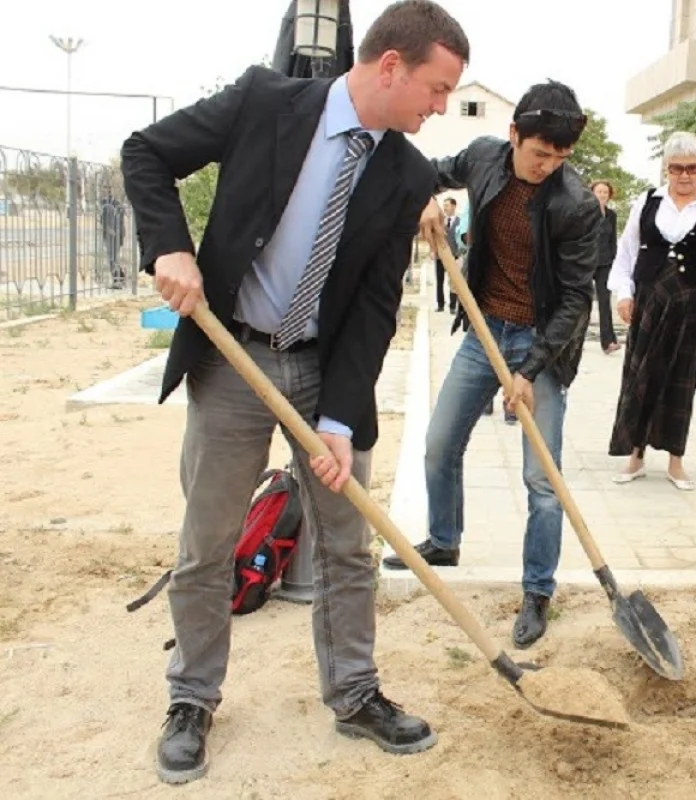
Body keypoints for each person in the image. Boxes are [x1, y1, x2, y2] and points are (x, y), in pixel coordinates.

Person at [119, 0, 469, 784]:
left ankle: (354, 693)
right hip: (233, 356)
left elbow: (378, 308)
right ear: (390, 66)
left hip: (323, 372)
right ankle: (192, 699)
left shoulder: (407, 174)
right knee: (207, 544)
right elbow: (146, 152)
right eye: (438, 88)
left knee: (348, 543)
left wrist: (342, 418)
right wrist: (169, 247)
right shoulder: (263, 102)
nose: (441, 107)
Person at [381, 81, 602, 650]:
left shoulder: (575, 204)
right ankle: (443, 539)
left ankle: (537, 590)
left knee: (542, 480)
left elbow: (577, 299)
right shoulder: (482, 157)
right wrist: (424, 196)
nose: (548, 166)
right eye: (538, 153)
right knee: (439, 445)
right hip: (484, 332)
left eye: (559, 157)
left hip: (541, 346)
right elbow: (424, 167)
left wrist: (529, 370)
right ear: (513, 137)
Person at [607, 131, 696, 490]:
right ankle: (634, 455)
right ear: (666, 168)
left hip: (693, 301)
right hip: (651, 297)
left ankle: (675, 460)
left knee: (682, 379)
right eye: (678, 168)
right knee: (641, 374)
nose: (685, 175)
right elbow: (627, 251)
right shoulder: (646, 202)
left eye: (693, 168)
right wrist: (624, 292)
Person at [591, 179, 621, 354]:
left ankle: (608, 341)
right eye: (599, 191)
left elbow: (613, 241)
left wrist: (615, 262)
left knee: (605, 302)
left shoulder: (612, 215)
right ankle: (572, 340)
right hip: (586, 263)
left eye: (605, 192)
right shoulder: (584, 213)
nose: (602, 195)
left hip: (605, 264)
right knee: (580, 303)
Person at [436, 195, 462, 313]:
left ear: (454, 206)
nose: (445, 208)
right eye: (444, 206)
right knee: (439, 281)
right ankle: (440, 305)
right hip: (440, 256)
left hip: (454, 256)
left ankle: (452, 306)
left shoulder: (460, 221)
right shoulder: (440, 220)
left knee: (454, 282)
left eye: (447, 205)